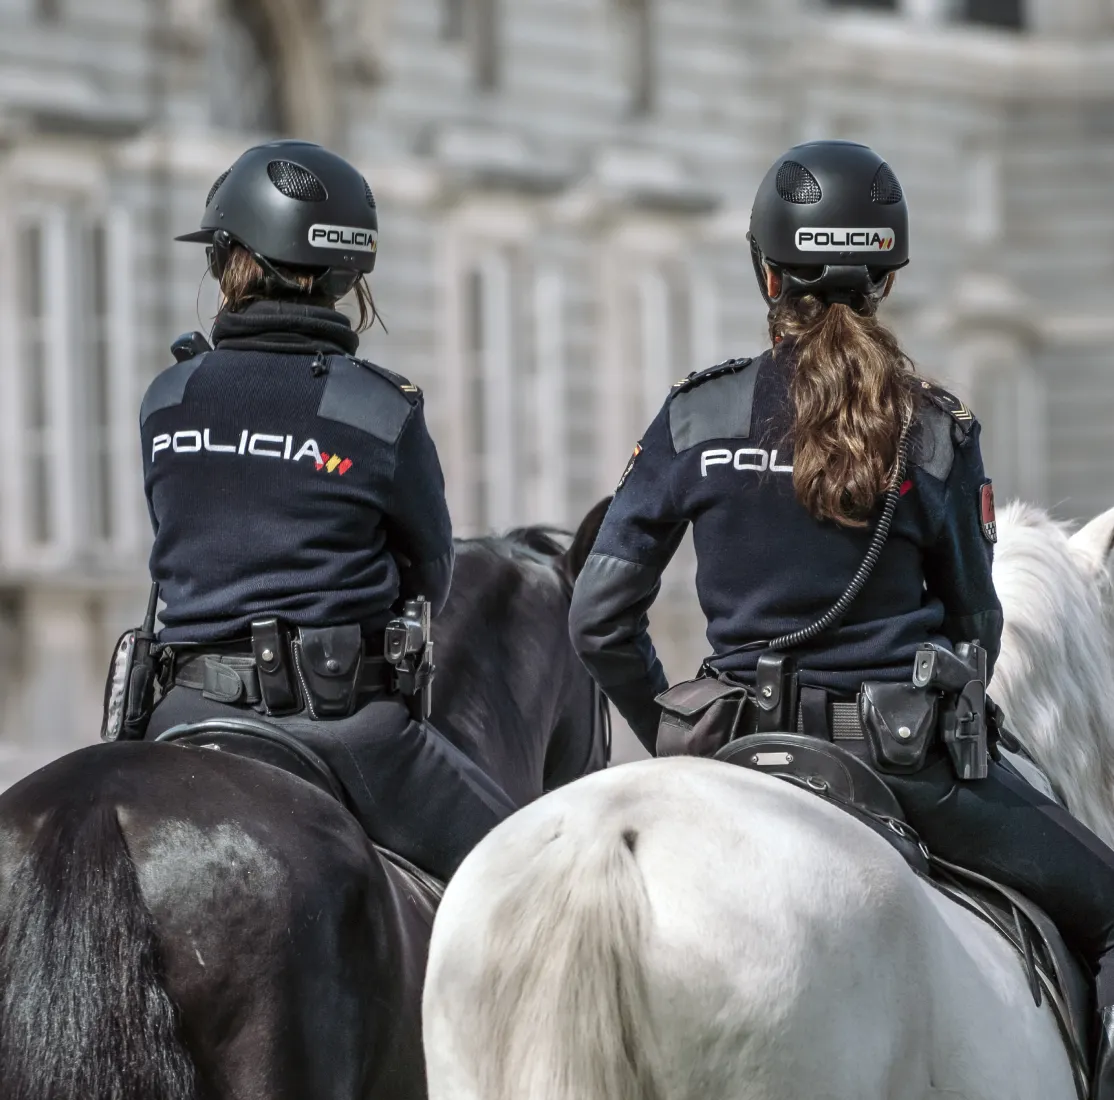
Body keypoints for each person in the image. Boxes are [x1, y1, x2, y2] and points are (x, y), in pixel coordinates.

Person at [569, 139, 1114, 1094]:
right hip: (902, 765)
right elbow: (977, 630)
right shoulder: (935, 429)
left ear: (767, 272)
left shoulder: (696, 417)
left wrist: (669, 723)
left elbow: (600, 613)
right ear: (885, 279)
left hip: (732, 744)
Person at [139, 139, 515, 881]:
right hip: (343, 727)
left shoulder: (167, 398)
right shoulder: (378, 408)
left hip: (179, 716)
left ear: (226, 261)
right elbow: (430, 575)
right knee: (536, 877)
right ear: (347, 276)